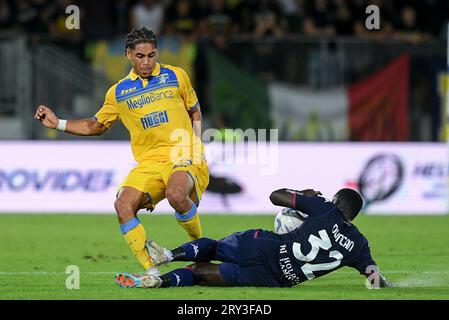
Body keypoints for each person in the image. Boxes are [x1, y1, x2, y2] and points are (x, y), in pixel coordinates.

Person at [34, 27, 209, 275]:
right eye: (140, 56)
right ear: (128, 54)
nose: (146, 61)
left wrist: (197, 144)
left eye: (151, 55)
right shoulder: (118, 92)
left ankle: (201, 250)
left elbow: (194, 111)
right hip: (149, 162)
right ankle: (152, 272)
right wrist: (59, 123)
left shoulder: (177, 76)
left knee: (177, 195)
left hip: (183, 153)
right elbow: (96, 126)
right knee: (123, 205)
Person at [114, 187, 392, 289]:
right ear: (353, 217)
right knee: (199, 273)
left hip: (265, 246)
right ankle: (160, 282)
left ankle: (169, 255)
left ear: (334, 200)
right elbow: (372, 277)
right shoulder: (359, 245)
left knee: (213, 246)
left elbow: (276, 196)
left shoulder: (324, 208)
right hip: (273, 279)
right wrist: (388, 284)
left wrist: (305, 196)